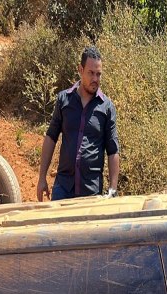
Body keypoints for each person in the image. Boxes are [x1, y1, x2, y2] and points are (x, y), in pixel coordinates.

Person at [37, 46, 120, 201]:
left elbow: (113, 150)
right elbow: (51, 137)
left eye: (98, 74)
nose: (95, 79)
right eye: (91, 73)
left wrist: (113, 189)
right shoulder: (64, 100)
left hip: (91, 191)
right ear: (80, 70)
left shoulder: (107, 107)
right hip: (63, 188)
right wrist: (42, 178)